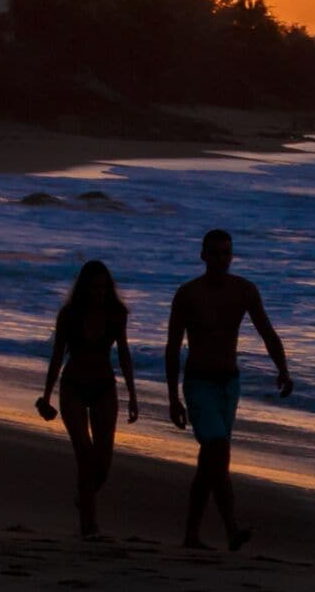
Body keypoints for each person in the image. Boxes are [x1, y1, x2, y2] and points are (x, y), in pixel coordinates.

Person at [163, 227, 292, 550]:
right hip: (198, 383)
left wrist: (283, 369)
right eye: (215, 253)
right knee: (217, 452)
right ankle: (231, 529)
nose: (221, 259)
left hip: (229, 385)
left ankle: (191, 535)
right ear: (203, 255)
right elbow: (172, 347)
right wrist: (172, 398)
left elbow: (267, 332)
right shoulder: (188, 294)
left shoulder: (244, 290)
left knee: (211, 462)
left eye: (226, 253)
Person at [34, 259, 138, 537]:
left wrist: (133, 394)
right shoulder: (69, 314)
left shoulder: (117, 314)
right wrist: (46, 396)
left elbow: (124, 354)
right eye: (93, 287)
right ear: (83, 288)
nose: (98, 293)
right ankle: (88, 527)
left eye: (103, 288)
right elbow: (57, 355)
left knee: (103, 463)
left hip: (104, 387)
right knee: (85, 455)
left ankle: (85, 497)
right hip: (73, 387)